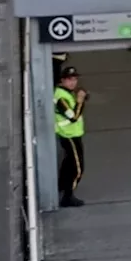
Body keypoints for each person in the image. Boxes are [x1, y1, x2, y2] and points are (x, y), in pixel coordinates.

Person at [53, 66, 87, 208]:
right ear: (62, 80)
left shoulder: (67, 92)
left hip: (73, 134)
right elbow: (73, 117)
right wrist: (80, 101)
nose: (73, 82)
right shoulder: (61, 97)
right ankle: (68, 196)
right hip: (69, 135)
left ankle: (60, 185)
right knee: (77, 168)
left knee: (68, 163)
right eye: (69, 80)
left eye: (74, 79)